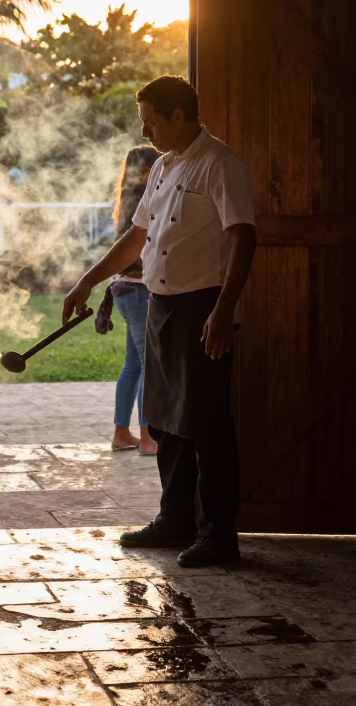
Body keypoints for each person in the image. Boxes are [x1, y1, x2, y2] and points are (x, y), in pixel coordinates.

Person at [63, 75, 257, 568]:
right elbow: (136, 236)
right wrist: (88, 278)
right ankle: (175, 521)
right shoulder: (164, 167)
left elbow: (242, 238)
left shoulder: (220, 164)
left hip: (203, 306)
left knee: (206, 425)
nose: (146, 132)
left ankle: (218, 536)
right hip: (161, 303)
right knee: (165, 420)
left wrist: (224, 307)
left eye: (151, 121)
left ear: (178, 116)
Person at [95, 146, 160, 454]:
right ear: (148, 171)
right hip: (139, 289)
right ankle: (148, 438)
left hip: (125, 290)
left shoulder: (127, 200)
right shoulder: (143, 204)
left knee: (133, 365)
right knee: (149, 364)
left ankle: (122, 433)